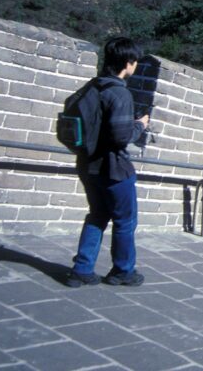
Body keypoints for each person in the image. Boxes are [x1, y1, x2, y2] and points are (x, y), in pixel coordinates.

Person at [66, 37, 149, 287]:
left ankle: (82, 269)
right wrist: (140, 125)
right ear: (128, 62)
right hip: (114, 169)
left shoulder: (91, 87)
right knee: (125, 221)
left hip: (87, 165)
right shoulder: (120, 93)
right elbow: (121, 136)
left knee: (97, 215)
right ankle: (123, 271)